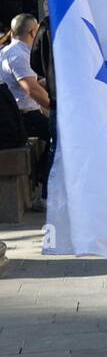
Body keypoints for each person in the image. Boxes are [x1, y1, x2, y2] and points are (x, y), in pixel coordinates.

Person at [0, 14, 52, 211]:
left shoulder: (9, 51)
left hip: (22, 113)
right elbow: (31, 89)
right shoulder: (19, 55)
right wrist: (54, 107)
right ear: (33, 31)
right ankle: (45, 192)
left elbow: (34, 84)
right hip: (24, 116)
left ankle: (39, 171)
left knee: (56, 135)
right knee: (61, 136)